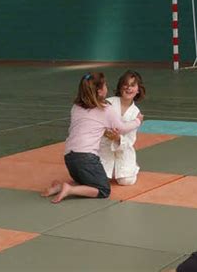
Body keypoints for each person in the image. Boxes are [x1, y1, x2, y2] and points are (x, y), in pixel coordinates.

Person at [41, 72, 143, 203]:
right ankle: (69, 189)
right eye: (105, 85)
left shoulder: (76, 107)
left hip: (69, 158)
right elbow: (121, 128)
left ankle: (60, 187)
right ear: (100, 91)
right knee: (103, 190)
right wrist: (138, 121)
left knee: (85, 180)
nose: (107, 87)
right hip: (86, 158)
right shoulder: (105, 108)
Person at [99, 70, 146, 186]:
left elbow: (130, 140)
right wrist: (105, 132)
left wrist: (117, 138)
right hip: (104, 148)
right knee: (100, 180)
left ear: (138, 90)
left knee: (126, 181)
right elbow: (97, 123)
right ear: (120, 87)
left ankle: (132, 167)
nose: (128, 88)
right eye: (125, 85)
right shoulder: (108, 103)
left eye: (132, 85)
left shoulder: (136, 113)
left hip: (122, 150)